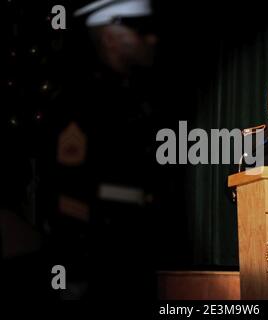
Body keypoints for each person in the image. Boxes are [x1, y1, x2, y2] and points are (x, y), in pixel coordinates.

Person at [38, 0, 161, 300]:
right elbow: (66, 194)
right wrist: (77, 274)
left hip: (131, 257)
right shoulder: (81, 101)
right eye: (140, 29)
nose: (151, 38)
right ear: (109, 37)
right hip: (96, 262)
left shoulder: (135, 100)